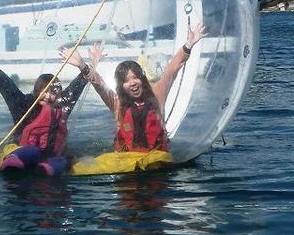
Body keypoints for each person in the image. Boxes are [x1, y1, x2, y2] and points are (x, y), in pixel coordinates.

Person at [0, 42, 93, 176]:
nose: (47, 96)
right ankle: (13, 163)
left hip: (51, 156)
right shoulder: (24, 106)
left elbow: (78, 86)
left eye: (52, 92)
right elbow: (7, 86)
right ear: (36, 90)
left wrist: (82, 65)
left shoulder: (61, 107)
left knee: (63, 161)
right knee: (31, 151)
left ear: (57, 95)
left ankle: (45, 170)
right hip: (22, 152)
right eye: (43, 90)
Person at [86, 23, 206, 153]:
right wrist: (86, 65)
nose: (132, 83)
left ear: (142, 79)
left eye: (135, 77)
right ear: (121, 86)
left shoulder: (157, 94)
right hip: (125, 161)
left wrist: (188, 46)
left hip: (157, 159)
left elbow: (171, 70)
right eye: (126, 81)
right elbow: (99, 85)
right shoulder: (117, 103)